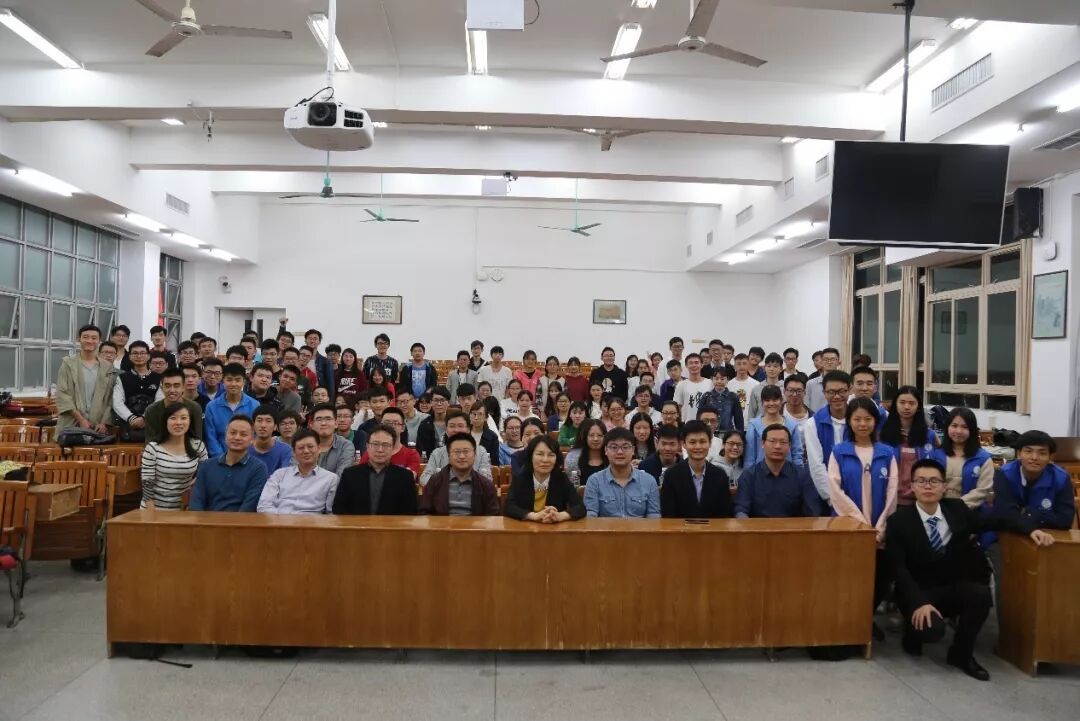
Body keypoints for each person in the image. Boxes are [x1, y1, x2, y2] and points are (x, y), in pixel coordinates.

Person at [886, 458, 1055, 681]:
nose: (928, 486)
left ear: (944, 486)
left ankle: (961, 654)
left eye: (934, 481)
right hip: (917, 590)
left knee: (980, 595)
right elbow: (898, 568)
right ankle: (912, 633)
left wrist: (1031, 529)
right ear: (912, 486)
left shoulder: (956, 509)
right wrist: (919, 602)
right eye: (921, 481)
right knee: (931, 630)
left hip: (949, 586)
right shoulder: (898, 521)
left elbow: (997, 519)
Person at [984, 430, 1076, 619]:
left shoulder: (1060, 478)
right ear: (1019, 454)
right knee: (1008, 583)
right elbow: (1005, 513)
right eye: (1028, 451)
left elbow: (1065, 519)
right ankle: (1008, 633)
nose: (1034, 457)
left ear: (1051, 457)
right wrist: (1032, 524)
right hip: (1004, 536)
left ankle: (1045, 629)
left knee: (1053, 584)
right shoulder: (1004, 474)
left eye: (1042, 453)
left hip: (1047, 538)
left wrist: (1029, 513)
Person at [828, 397, 899, 630]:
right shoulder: (839, 452)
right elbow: (835, 492)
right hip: (850, 528)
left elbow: (892, 493)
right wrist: (861, 525)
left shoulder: (887, 453)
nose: (862, 424)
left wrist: (880, 528)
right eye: (857, 419)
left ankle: (866, 621)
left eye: (867, 419)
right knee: (850, 578)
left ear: (875, 421)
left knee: (879, 579)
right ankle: (851, 623)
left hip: (880, 531)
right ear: (849, 421)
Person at [735, 424, 822, 518]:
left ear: (789, 445)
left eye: (783, 442)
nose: (777, 446)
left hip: (793, 527)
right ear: (762, 444)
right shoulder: (749, 476)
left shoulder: (802, 476)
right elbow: (741, 510)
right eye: (772, 441)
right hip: (758, 527)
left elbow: (812, 510)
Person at [333, 423, 419, 515]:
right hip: (357, 524)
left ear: (392, 448)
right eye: (375, 444)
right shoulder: (350, 474)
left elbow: (410, 512)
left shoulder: (405, 477)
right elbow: (339, 509)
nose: (380, 450)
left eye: (385, 445)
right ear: (367, 446)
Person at [189, 415, 268, 512]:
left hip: (242, 521)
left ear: (252, 439)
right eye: (233, 433)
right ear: (225, 435)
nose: (237, 437)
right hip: (207, 520)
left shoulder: (258, 468)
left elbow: (249, 506)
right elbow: (196, 502)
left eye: (243, 434)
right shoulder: (207, 466)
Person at [140, 402, 208, 510]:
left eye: (183, 418)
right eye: (173, 418)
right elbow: (147, 483)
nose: (178, 422)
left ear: (190, 421)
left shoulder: (198, 446)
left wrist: (196, 481)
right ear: (165, 421)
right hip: (154, 509)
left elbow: (206, 471)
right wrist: (151, 514)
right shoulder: (153, 448)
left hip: (184, 510)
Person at [253, 428, 338, 514]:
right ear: (294, 452)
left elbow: (331, 513)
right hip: (280, 520)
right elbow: (263, 506)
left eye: (310, 447)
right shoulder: (279, 475)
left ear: (319, 449)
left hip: (312, 521)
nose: (306, 451)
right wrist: (285, 519)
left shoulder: (331, 479)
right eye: (301, 448)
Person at [659, 420, 733, 518]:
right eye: (692, 442)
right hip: (680, 527)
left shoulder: (720, 476)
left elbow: (725, 514)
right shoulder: (671, 475)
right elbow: (668, 514)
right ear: (684, 444)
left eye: (702, 442)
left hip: (713, 527)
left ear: (710, 443)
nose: (698, 447)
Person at [505, 435, 586, 522]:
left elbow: (580, 507)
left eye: (551, 455)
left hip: (554, 528)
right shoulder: (520, 478)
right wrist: (533, 516)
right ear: (531, 456)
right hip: (526, 528)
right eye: (540, 454)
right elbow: (508, 507)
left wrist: (561, 515)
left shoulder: (561, 479)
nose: (545, 460)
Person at [583, 427, 661, 518]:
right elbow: (590, 516)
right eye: (614, 447)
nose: (620, 452)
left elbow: (654, 516)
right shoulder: (594, 481)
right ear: (605, 450)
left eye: (625, 447)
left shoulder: (649, 481)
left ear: (633, 450)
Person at [879, 386, 937, 506]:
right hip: (890, 499)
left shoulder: (929, 435)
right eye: (902, 402)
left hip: (920, 500)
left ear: (918, 407)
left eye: (911, 403)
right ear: (895, 405)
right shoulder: (884, 434)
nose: (906, 407)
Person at [803, 370, 852, 505]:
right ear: (824, 393)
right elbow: (816, 465)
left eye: (842, 391)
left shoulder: (858, 420)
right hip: (825, 494)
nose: (837, 396)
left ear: (850, 390)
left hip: (855, 490)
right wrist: (832, 498)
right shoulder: (813, 424)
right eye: (831, 392)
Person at [420, 433, 500, 516]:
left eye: (466, 451)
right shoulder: (435, 481)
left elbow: (492, 516)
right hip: (441, 524)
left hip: (475, 524)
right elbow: (425, 512)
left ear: (475, 454)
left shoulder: (485, 484)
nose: (462, 456)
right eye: (457, 452)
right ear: (449, 456)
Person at [55, 324, 114, 434]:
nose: (89, 341)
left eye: (94, 338)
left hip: (98, 426)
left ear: (99, 341)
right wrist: (81, 419)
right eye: (85, 337)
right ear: (79, 339)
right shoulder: (68, 364)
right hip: (71, 423)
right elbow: (62, 394)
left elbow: (109, 399)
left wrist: (104, 422)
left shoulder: (107, 367)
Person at [929, 408, 993, 508]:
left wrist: (957, 507)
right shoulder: (935, 455)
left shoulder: (983, 459)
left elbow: (983, 490)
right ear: (947, 427)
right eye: (954, 426)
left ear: (972, 430)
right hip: (937, 509)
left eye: (964, 427)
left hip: (970, 511)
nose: (958, 431)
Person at [419, 411, 494, 487]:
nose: (456, 430)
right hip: (444, 492)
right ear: (446, 430)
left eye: (460, 426)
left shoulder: (481, 451)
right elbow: (424, 478)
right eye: (452, 426)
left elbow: (487, 478)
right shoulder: (437, 453)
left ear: (468, 429)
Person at [203, 363, 260, 458]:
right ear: (223, 380)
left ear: (244, 382)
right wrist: (223, 459)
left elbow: (256, 436)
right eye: (229, 380)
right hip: (219, 459)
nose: (233, 384)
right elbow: (211, 438)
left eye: (237, 380)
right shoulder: (211, 407)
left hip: (248, 458)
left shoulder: (255, 405)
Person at [744, 386, 804, 469]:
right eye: (767, 400)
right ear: (762, 403)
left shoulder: (792, 425)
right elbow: (749, 456)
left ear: (781, 401)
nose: (771, 403)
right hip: (760, 473)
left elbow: (797, 454)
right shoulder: (753, 425)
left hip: (787, 473)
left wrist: (799, 473)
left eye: (775, 400)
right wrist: (749, 474)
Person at [111, 340, 160, 441]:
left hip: (153, 426)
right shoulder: (122, 378)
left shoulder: (158, 378)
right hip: (128, 427)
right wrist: (131, 418)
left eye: (142, 353)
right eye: (135, 353)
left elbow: (160, 401)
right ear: (129, 356)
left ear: (148, 356)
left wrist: (144, 418)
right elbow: (117, 402)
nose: (139, 356)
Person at [144, 367, 204, 443]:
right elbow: (150, 442)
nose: (172, 390)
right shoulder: (151, 410)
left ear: (183, 387)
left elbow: (197, 439)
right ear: (162, 388)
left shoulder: (194, 408)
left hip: (189, 448)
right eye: (167, 386)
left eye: (176, 386)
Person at [307, 402, 355, 479]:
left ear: (336, 423)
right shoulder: (302, 444)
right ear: (311, 424)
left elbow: (341, 477)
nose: (323, 423)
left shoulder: (345, 446)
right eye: (319, 419)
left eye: (328, 419)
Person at [248, 405, 294, 475]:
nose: (263, 425)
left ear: (275, 426)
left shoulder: (285, 450)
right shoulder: (244, 449)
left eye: (268, 421)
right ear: (253, 425)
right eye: (259, 421)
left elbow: (286, 476)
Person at [698, 365, 742, 432]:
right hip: (710, 432)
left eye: (722, 379)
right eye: (716, 379)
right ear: (712, 379)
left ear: (727, 379)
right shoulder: (706, 396)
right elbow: (699, 416)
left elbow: (739, 419)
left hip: (728, 432)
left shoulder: (733, 396)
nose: (719, 381)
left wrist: (740, 434)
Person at [564, 418, 608, 486]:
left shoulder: (611, 456)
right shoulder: (573, 458)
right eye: (591, 435)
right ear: (585, 437)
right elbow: (574, 486)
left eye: (600, 435)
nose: (595, 439)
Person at [671, 353, 713, 424]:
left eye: (696, 363)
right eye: (690, 363)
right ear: (686, 366)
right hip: (687, 424)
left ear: (701, 365)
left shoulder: (710, 383)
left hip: (706, 424)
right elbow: (677, 406)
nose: (694, 365)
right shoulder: (681, 385)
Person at [746, 352, 785, 420]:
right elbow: (751, 413)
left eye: (775, 366)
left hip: (780, 424)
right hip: (760, 425)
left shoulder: (786, 388)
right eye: (769, 366)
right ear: (764, 368)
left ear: (781, 368)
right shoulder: (756, 389)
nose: (771, 369)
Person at [416, 386, 452, 457]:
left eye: (442, 400)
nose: (439, 404)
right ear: (431, 402)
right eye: (436, 400)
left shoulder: (455, 423)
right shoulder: (424, 425)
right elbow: (420, 449)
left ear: (448, 403)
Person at [805, 347, 841, 411]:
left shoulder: (843, 383)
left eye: (833, 359)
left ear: (838, 361)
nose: (829, 362)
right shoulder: (810, 384)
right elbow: (806, 406)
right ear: (822, 361)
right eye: (826, 359)